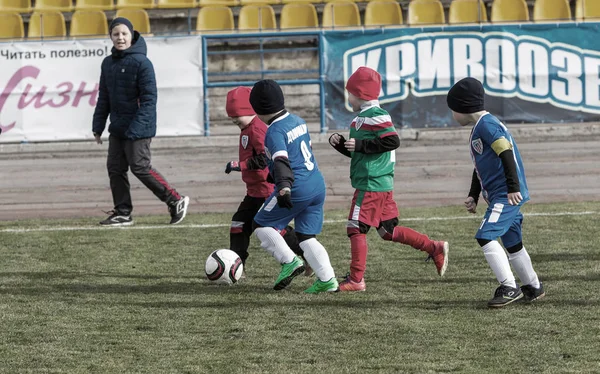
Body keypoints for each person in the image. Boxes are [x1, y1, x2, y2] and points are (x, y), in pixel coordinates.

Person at [329, 66, 448, 292]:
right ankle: (434, 248)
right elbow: (367, 152)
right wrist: (344, 146)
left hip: (371, 184)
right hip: (379, 182)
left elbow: (392, 141)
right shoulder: (363, 118)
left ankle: (356, 280)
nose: (349, 98)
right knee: (387, 231)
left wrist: (361, 145)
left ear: (361, 94)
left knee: (355, 227)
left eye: (351, 94)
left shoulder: (376, 115)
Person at [447, 77, 545, 308]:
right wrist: (473, 194)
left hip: (506, 195)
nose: (452, 114)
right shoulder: (482, 125)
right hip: (503, 194)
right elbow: (481, 166)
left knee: (485, 235)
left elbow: (506, 153)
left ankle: (510, 287)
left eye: (452, 109)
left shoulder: (487, 126)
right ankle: (533, 286)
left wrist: (512, 188)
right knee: (513, 244)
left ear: (463, 107)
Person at [92, 17, 189, 226]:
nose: (120, 38)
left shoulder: (142, 63)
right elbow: (104, 97)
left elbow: (149, 100)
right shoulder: (107, 63)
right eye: (116, 34)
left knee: (140, 167)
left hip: (139, 128)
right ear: (110, 36)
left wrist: (136, 128)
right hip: (117, 128)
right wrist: (97, 126)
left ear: (131, 36)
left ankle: (175, 200)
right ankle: (122, 212)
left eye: (124, 34)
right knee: (115, 169)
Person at [249, 79, 338, 294]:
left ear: (258, 109)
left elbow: (281, 160)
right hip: (317, 183)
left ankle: (289, 261)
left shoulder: (274, 131)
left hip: (296, 185)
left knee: (261, 224)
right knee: (306, 236)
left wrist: (284, 187)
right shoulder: (298, 120)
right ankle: (327, 280)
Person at [223, 86, 311, 275]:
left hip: (265, 190)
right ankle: (236, 267)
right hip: (253, 191)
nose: (234, 119)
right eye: (231, 116)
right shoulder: (246, 128)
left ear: (250, 110)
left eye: (237, 115)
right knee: (238, 225)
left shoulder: (257, 129)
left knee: (274, 229)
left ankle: (307, 256)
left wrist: (241, 165)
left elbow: (265, 159)